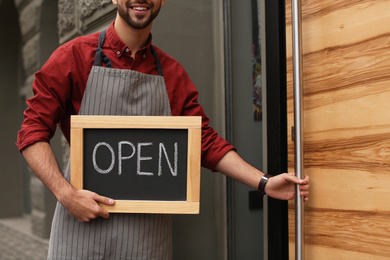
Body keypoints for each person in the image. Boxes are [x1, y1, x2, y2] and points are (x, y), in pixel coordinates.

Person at [16, 0, 310, 259]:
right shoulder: (73, 57)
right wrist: (66, 196)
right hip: (81, 222)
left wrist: (263, 182)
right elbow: (32, 132)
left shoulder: (172, 74)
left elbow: (205, 143)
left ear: (163, 1)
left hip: (146, 238)